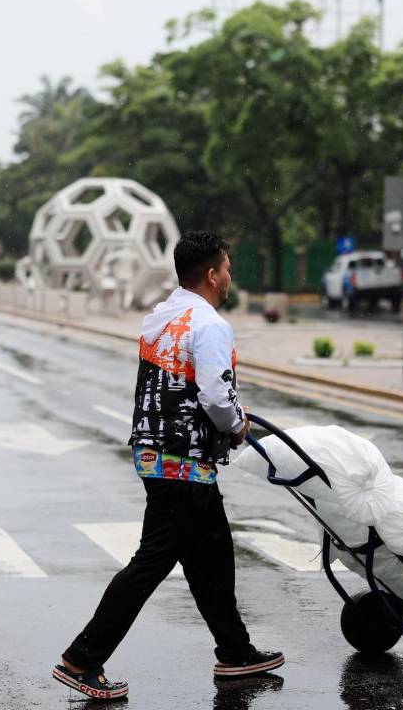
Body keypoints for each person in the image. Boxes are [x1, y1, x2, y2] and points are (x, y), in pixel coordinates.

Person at [53, 231, 283, 701]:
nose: (229, 278)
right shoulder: (211, 325)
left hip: (156, 454)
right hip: (185, 464)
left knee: (212, 554)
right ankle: (82, 657)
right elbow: (217, 397)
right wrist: (238, 424)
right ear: (213, 274)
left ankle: (235, 652)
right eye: (227, 269)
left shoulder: (159, 317)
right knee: (151, 563)